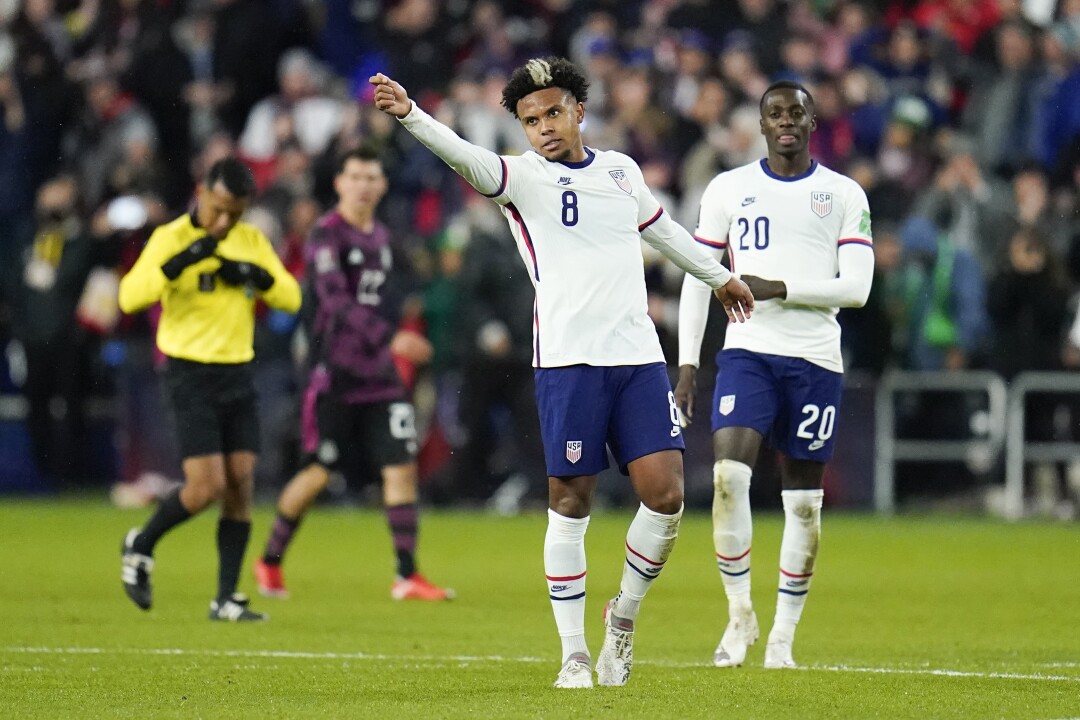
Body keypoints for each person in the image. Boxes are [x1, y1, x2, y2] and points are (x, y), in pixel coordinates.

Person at [370, 58, 754, 689]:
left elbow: (665, 233)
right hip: (569, 362)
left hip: (636, 357)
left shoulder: (621, 171)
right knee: (570, 501)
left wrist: (720, 278)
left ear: (579, 110)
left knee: (666, 495)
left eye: (552, 112)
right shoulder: (521, 178)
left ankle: (622, 618)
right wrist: (411, 114)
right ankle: (574, 652)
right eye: (530, 120)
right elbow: (462, 154)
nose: (543, 127)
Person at [675, 80, 874, 670]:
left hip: (815, 360)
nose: (786, 121)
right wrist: (687, 363)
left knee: (804, 505)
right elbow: (696, 274)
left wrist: (779, 286)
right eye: (774, 113)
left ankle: (784, 636)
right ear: (761, 125)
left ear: (813, 121)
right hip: (748, 353)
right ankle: (740, 617)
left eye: (796, 112)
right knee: (728, 477)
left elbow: (857, 288)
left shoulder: (843, 193)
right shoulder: (728, 188)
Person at [252, 146, 453, 602]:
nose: (363, 185)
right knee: (319, 474)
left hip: (379, 377)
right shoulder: (326, 235)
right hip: (334, 375)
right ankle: (269, 560)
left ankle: (406, 575)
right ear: (340, 183)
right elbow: (335, 302)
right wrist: (392, 338)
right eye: (355, 176)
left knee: (400, 469)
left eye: (371, 177)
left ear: (382, 186)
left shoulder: (383, 238)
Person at [118, 157, 302, 622]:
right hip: (188, 373)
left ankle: (225, 598)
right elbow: (129, 297)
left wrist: (255, 277)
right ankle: (141, 543)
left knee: (240, 485)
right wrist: (178, 264)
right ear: (202, 192)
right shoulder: (169, 237)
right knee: (206, 487)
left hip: (237, 373)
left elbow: (291, 296)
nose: (224, 222)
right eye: (218, 209)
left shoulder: (250, 241)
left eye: (234, 214)